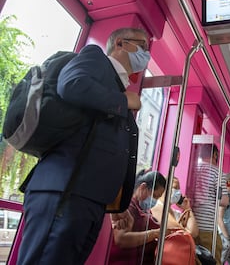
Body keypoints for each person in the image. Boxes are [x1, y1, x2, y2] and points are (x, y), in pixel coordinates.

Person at [17, 27, 150, 264]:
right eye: (143, 46)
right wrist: (122, 101)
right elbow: (71, 84)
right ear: (120, 43)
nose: (146, 54)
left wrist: (116, 202)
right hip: (65, 190)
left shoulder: (114, 86)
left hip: (88, 198)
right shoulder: (96, 58)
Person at [109, 170, 166, 264]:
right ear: (143, 187)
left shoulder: (141, 208)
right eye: (154, 196)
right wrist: (154, 234)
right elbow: (120, 239)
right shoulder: (127, 206)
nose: (154, 201)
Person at [192, 144, 228, 264]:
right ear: (215, 155)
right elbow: (224, 201)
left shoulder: (193, 169)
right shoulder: (218, 173)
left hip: (190, 225)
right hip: (207, 228)